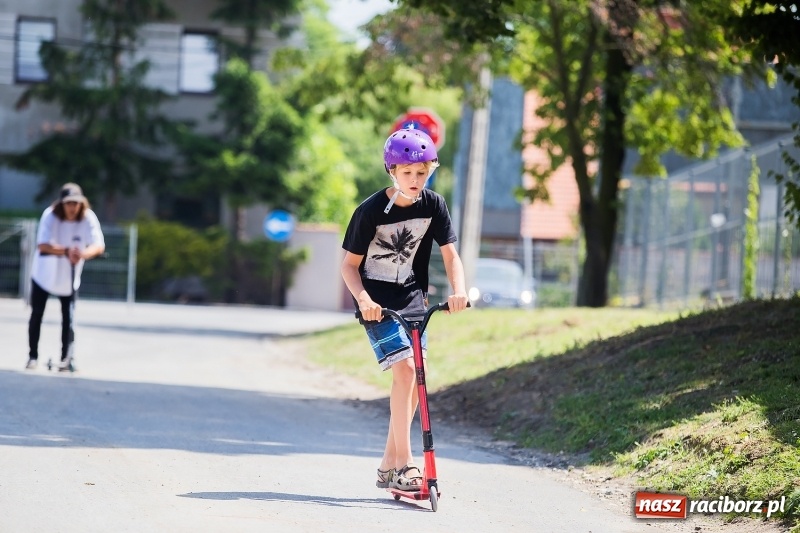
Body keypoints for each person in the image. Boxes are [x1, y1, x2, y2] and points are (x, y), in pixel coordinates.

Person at [341, 128, 469, 491]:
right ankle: (406, 464)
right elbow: (348, 266)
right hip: (376, 302)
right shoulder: (369, 212)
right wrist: (364, 300)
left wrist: (459, 291)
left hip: (413, 298)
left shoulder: (434, 205)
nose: (415, 179)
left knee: (414, 378)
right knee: (407, 369)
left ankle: (388, 465)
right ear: (392, 171)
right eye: (407, 172)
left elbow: (451, 255)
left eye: (422, 172)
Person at [26, 183, 105, 371]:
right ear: (62, 203)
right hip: (44, 275)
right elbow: (43, 245)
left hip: (69, 278)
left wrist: (82, 254)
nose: (72, 207)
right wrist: (67, 251)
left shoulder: (88, 218)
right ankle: (32, 356)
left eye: (76, 203)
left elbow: (98, 245)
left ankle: (66, 357)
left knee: (68, 318)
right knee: (37, 314)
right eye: (69, 203)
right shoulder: (50, 216)